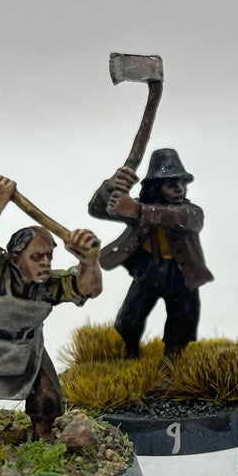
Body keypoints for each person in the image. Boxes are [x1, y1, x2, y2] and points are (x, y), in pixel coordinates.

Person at [0, 173, 101, 441]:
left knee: (47, 392)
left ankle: (43, 432)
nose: (45, 263)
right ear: (15, 258)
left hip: (28, 345)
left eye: (49, 256)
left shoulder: (49, 285)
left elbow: (88, 289)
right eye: (36, 256)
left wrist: (89, 261)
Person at [88, 148, 213, 361]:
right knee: (130, 318)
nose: (179, 189)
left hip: (181, 275)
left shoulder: (189, 211)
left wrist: (138, 210)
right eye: (171, 184)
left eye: (182, 183)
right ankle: (131, 351)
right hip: (148, 271)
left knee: (183, 318)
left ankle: (173, 360)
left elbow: (180, 218)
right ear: (156, 188)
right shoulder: (138, 208)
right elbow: (98, 209)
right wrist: (110, 186)